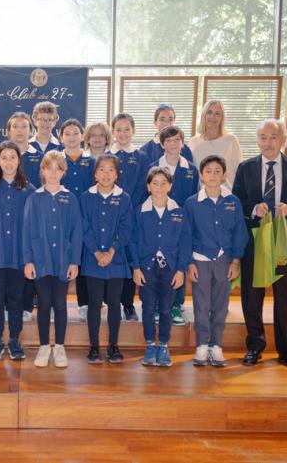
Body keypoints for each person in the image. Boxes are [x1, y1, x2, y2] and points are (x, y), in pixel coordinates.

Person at [232, 119, 287, 369]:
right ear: (257, 140)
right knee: (252, 296)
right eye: (263, 137)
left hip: (283, 240)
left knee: (283, 297)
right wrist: (252, 209)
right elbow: (236, 201)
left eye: (273, 137)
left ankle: (286, 349)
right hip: (254, 239)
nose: (268, 142)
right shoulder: (246, 167)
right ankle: (254, 346)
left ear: (283, 140)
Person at [184, 155, 248, 367]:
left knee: (221, 304)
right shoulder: (192, 203)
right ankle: (202, 344)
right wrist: (189, 263)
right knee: (201, 305)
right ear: (201, 176)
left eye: (217, 171)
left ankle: (217, 345)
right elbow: (186, 235)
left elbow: (239, 232)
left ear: (224, 176)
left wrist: (235, 261)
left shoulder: (233, 202)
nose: (213, 175)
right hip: (200, 260)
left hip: (224, 260)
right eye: (208, 171)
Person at [23, 151, 82, 369]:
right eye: (49, 168)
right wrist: (28, 261)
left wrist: (74, 261)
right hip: (41, 260)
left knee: (60, 303)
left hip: (63, 260)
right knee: (44, 303)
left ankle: (59, 346)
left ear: (64, 172)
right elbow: (27, 231)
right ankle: (43, 346)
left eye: (58, 169)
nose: (54, 173)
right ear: (43, 171)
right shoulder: (34, 198)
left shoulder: (70, 198)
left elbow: (77, 231)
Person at [131, 167, 191, 367]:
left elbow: (185, 243)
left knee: (166, 308)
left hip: (170, 269)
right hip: (146, 268)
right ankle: (150, 345)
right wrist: (136, 268)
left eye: (164, 183)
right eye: (155, 183)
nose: (159, 187)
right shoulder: (140, 211)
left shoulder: (178, 212)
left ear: (170, 186)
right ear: (148, 186)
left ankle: (164, 345)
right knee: (148, 307)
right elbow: (133, 241)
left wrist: (181, 270)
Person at [0, 141, 36, 361]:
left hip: (18, 256)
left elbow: (33, 226)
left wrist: (30, 257)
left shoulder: (29, 190)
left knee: (16, 298)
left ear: (19, 160)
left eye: (12, 157)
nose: (8, 162)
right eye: (3, 157)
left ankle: (14, 340)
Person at [80, 153, 132, 364]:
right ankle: (94, 346)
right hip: (93, 259)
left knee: (114, 303)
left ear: (117, 175)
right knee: (94, 303)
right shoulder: (86, 197)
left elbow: (126, 229)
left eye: (111, 170)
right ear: (95, 174)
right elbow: (84, 227)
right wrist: (96, 252)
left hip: (116, 260)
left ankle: (113, 345)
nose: (106, 174)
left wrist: (111, 251)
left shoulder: (124, 198)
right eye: (101, 169)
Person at [150, 125, 199, 327]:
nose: (173, 144)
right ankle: (157, 304)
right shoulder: (154, 166)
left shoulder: (191, 169)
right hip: (159, 220)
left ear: (183, 143)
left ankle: (177, 304)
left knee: (179, 260)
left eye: (177, 140)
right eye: (168, 140)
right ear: (162, 144)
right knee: (159, 260)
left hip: (181, 223)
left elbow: (193, 197)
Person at [109, 113, 150, 322]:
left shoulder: (142, 157)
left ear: (133, 131)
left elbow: (143, 187)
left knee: (129, 258)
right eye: (118, 129)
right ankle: (111, 302)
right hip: (108, 217)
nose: (123, 133)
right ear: (113, 132)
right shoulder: (106, 156)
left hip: (132, 216)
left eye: (127, 129)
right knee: (111, 256)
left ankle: (128, 303)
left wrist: (127, 209)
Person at [59, 119, 94, 322]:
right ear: (61, 137)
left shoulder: (91, 162)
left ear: (82, 136)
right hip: (60, 219)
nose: (71, 137)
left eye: (75, 133)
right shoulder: (56, 160)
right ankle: (56, 302)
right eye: (67, 133)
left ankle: (84, 303)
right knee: (61, 258)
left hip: (84, 218)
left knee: (81, 259)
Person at [7, 112, 41, 321]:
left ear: (31, 130)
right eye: (15, 126)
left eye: (24, 126)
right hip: (7, 216)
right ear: (9, 130)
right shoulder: (2, 155)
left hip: (31, 214)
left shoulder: (39, 156)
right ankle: (9, 303)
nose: (20, 130)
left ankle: (28, 305)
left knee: (28, 257)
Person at [189, 100, 242, 188]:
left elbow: (240, 173)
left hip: (227, 194)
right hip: (202, 194)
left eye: (217, 113)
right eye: (209, 112)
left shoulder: (231, 141)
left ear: (222, 118)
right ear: (203, 115)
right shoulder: (193, 142)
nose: (213, 117)